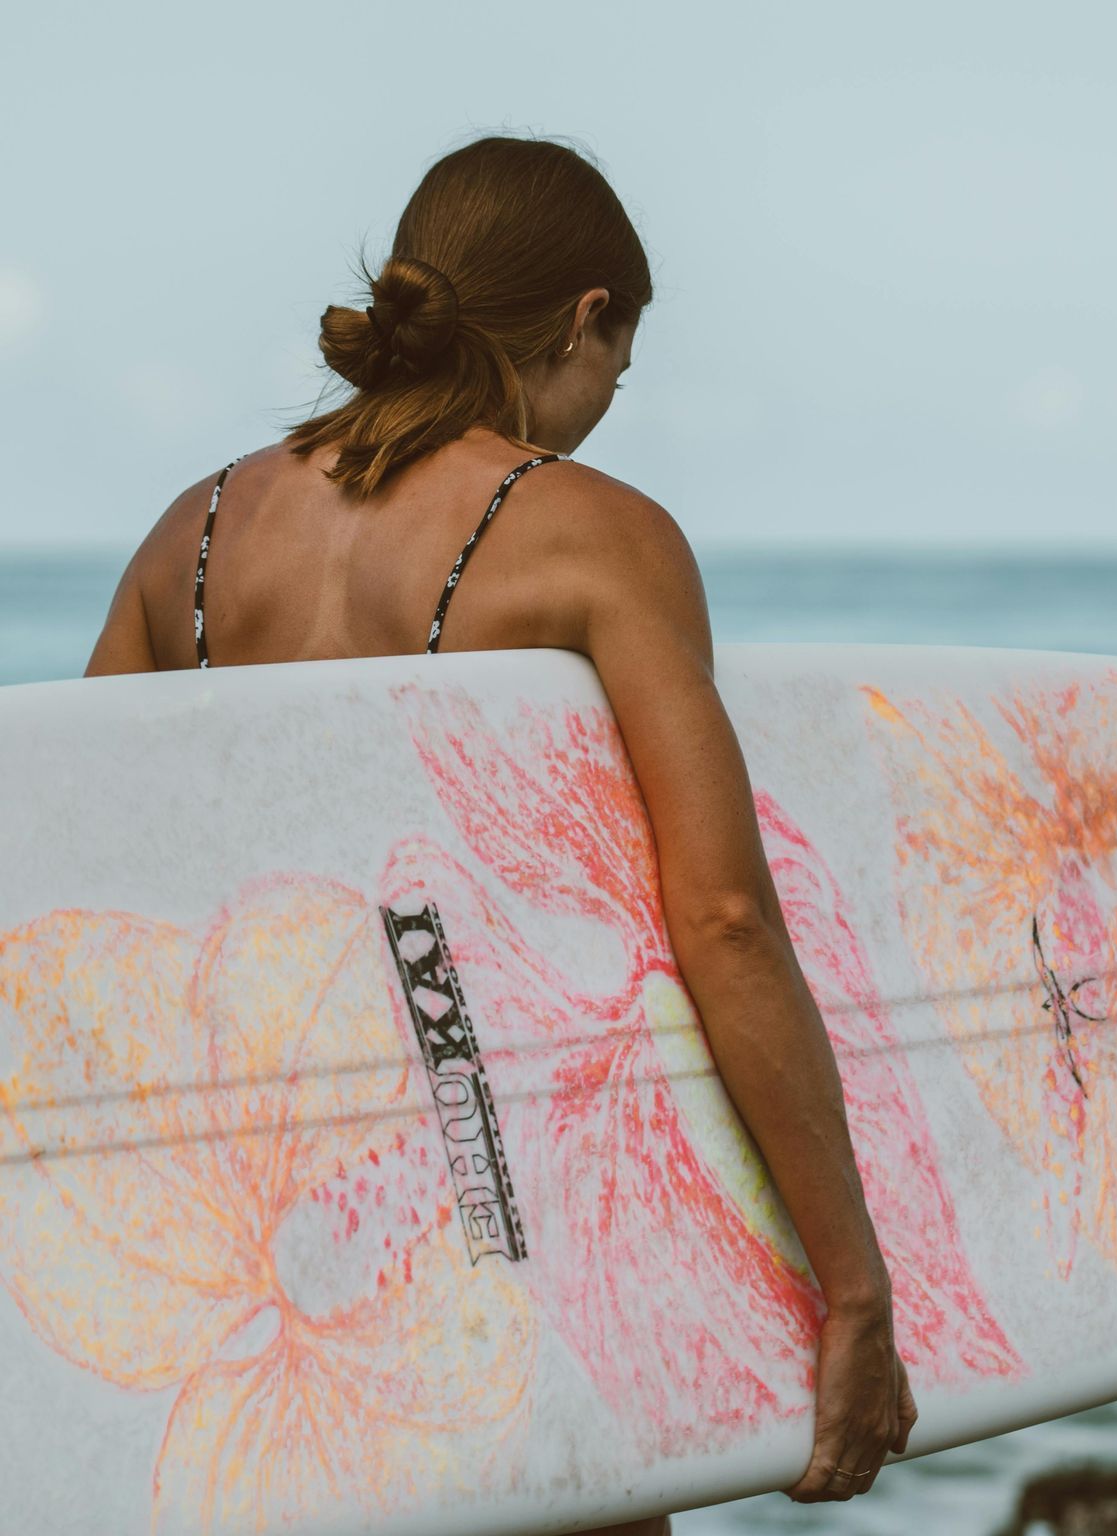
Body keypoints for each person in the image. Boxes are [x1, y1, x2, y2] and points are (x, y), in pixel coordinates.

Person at [83, 131, 915, 1535]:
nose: (601, 414)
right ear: (586, 319)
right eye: (617, 375)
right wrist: (854, 1284)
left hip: (274, 1268)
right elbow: (720, 919)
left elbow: (80, 886)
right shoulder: (589, 536)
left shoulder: (197, 536)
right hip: (519, 1244)